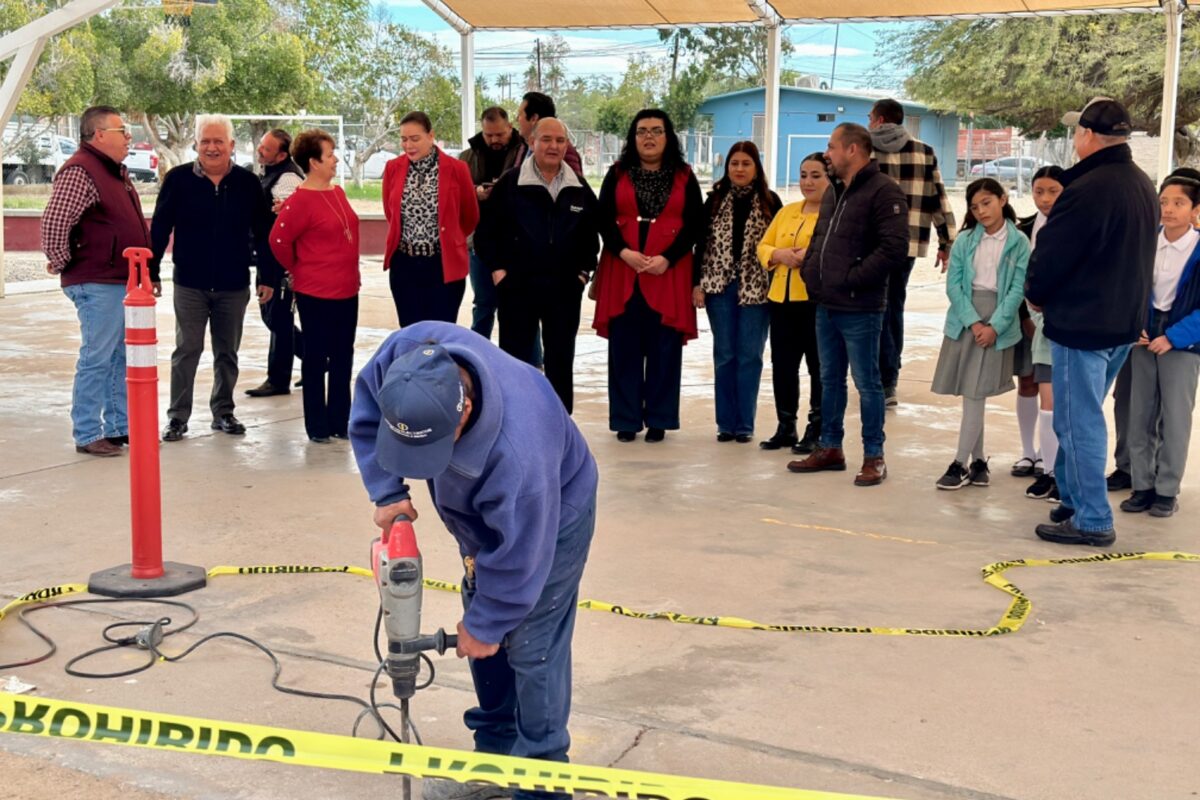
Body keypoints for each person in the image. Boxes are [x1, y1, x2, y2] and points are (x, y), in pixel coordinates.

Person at [348, 321, 598, 800]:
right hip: (484, 516)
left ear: (462, 416)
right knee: (483, 621)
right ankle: (495, 764)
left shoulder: (519, 457)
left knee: (530, 644)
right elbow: (364, 410)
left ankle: (542, 785)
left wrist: (489, 623)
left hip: (555, 512)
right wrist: (387, 490)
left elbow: (521, 555)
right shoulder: (409, 355)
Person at [1025, 97, 1158, 547]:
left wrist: (1037, 295)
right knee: (1076, 417)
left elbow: (1053, 256)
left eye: (1075, 132)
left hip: (1083, 323)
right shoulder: (1140, 182)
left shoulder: (1086, 189)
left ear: (1085, 135)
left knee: (1077, 422)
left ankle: (1093, 519)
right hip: (1121, 321)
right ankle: (1074, 499)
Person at [789, 123, 909, 486]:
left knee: (867, 383)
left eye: (831, 147)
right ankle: (831, 447)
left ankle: (874, 455)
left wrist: (850, 280)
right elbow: (820, 239)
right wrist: (813, 273)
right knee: (829, 380)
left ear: (852, 150)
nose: (827, 154)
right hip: (826, 303)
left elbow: (893, 249)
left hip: (860, 307)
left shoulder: (884, 191)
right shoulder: (834, 191)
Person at [151, 114, 274, 442]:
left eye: (219, 141)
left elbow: (264, 234)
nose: (212, 147)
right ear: (196, 145)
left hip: (233, 284)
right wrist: (151, 271)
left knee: (226, 352)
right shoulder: (178, 180)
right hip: (189, 283)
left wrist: (268, 276)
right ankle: (177, 417)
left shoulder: (248, 184)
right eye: (205, 141)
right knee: (187, 349)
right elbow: (160, 227)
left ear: (232, 146)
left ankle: (223, 412)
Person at [41, 105, 153, 457]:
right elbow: (55, 222)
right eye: (122, 131)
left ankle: (118, 427)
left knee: (119, 356)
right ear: (99, 134)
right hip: (98, 281)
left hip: (119, 279)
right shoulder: (81, 171)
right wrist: (64, 262)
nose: (129, 137)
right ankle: (88, 432)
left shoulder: (111, 170)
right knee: (98, 357)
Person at [593, 109, 704, 443]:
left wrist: (668, 259)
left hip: (668, 273)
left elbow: (695, 224)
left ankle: (660, 418)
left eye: (657, 130)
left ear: (668, 136)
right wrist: (623, 252)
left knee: (664, 349)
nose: (649, 137)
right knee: (624, 348)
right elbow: (603, 218)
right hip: (623, 271)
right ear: (633, 137)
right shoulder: (616, 173)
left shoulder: (685, 175)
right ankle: (626, 420)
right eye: (642, 131)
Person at [475, 118, 599, 414]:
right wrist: (499, 271)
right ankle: (515, 418)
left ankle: (558, 423)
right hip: (517, 288)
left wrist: (582, 274)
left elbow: (590, 236)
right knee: (515, 359)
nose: (553, 146)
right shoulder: (511, 183)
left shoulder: (578, 188)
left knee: (560, 358)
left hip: (564, 290)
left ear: (566, 146)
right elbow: (486, 233)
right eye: (546, 139)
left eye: (559, 140)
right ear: (532, 143)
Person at [931, 179, 1030, 489]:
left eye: (987, 203)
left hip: (998, 321)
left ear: (1003, 199)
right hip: (965, 321)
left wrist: (994, 327)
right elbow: (954, 285)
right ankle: (978, 461)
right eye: (975, 206)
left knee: (976, 392)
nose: (981, 211)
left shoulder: (1019, 242)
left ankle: (959, 463)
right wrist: (974, 323)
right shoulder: (964, 240)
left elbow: (1017, 289)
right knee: (974, 394)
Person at [268, 130, 361, 444]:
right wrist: (299, 267)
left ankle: (340, 419)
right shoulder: (299, 201)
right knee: (317, 356)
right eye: (330, 154)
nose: (335, 159)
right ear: (313, 162)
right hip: (315, 292)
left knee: (343, 356)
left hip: (347, 288)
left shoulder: (338, 192)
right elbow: (278, 241)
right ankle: (317, 424)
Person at [1119, 167, 1200, 519]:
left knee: (1175, 418)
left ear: (1195, 210)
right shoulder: (1145, 239)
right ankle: (1142, 486)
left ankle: (1167, 490)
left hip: (1182, 340)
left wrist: (1175, 337)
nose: (1168, 209)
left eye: (1179, 203)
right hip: (1143, 336)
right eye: (1164, 201)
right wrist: (1134, 323)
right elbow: (1126, 284)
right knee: (1139, 415)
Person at [868, 98, 956, 408]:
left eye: (870, 118)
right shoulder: (924, 151)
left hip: (868, 243)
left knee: (869, 308)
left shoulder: (864, 150)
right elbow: (938, 199)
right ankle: (888, 380)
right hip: (906, 244)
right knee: (893, 306)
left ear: (879, 120)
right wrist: (947, 242)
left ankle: (876, 376)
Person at [693, 141, 782, 443]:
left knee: (750, 356)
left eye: (746, 163)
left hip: (757, 290)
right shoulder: (715, 200)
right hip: (720, 287)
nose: (740, 169)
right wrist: (697, 284)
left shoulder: (771, 202)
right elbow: (701, 245)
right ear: (727, 167)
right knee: (725, 355)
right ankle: (725, 423)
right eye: (734, 164)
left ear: (756, 168)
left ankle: (744, 424)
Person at [756, 152, 828, 453]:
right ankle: (786, 426)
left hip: (813, 302)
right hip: (781, 300)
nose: (808, 182)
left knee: (818, 367)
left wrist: (806, 257)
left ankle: (817, 428)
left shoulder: (834, 214)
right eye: (803, 175)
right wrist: (779, 255)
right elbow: (764, 245)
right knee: (783, 366)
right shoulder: (787, 212)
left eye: (815, 175)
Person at [382, 111, 479, 327]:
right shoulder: (392, 168)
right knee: (411, 333)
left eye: (415, 139)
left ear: (431, 135)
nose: (409, 145)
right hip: (405, 264)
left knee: (440, 333)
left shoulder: (457, 169)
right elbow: (391, 214)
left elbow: (470, 216)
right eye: (404, 139)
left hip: (442, 265)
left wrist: (449, 239)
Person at [1013, 166, 1065, 504]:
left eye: (1052, 192)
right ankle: (1029, 452)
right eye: (1038, 191)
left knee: (1054, 396)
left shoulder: (1075, 227)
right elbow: (1017, 278)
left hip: (1056, 323)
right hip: (1024, 319)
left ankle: (1052, 465)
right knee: (1027, 383)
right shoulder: (1024, 229)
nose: (1044, 199)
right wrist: (1024, 318)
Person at [246, 128, 305, 398]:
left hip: (280, 261)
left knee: (278, 318)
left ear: (282, 154)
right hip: (267, 257)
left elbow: (296, 215)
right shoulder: (269, 173)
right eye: (261, 145)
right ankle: (316, 357)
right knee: (273, 317)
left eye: (266, 149)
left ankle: (279, 379)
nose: (260, 150)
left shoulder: (288, 178)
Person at [459, 106, 522, 340]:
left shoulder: (524, 153)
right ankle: (478, 355)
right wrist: (476, 193)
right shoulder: (468, 157)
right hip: (479, 243)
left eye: (500, 134)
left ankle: (532, 364)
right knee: (483, 304)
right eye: (489, 135)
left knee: (521, 306)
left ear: (510, 128)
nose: (494, 140)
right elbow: (456, 194)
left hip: (516, 243)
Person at [514, 92, 583, 175]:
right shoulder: (523, 147)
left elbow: (574, 185)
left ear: (533, 118)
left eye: (519, 115)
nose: (517, 119)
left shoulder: (563, 152)